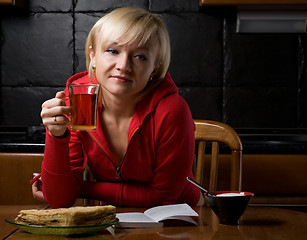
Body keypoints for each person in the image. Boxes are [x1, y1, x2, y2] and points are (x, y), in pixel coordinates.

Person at [32, 6, 202, 208]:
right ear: (93, 55)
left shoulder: (172, 110)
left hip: (181, 221)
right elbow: (59, 199)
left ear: (155, 68)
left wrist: (81, 187)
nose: (123, 65)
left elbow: (161, 197)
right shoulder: (79, 101)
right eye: (112, 51)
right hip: (115, 222)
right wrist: (56, 136)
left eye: (140, 56)